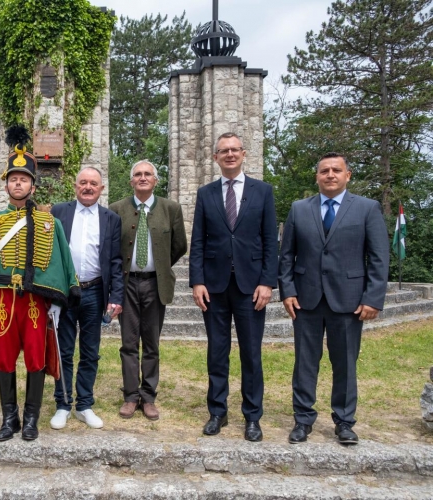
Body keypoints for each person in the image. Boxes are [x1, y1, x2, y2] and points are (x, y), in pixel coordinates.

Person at [0, 125, 80, 442]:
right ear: (6, 184)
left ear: (32, 184)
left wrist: (57, 299)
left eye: (24, 179)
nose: (18, 183)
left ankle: (31, 419)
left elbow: (62, 261)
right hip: (1, 298)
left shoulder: (49, 222)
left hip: (34, 300)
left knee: (35, 357)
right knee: (4, 358)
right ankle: (10, 418)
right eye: (13, 179)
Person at [278, 152, 389, 445]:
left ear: (347, 175)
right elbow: (286, 255)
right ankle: (303, 420)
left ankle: (344, 422)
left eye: (336, 170)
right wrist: (287, 291)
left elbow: (379, 257)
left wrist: (373, 298)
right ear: (317, 176)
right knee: (305, 363)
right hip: (306, 300)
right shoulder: (299, 209)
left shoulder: (367, 208)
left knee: (345, 364)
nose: (330, 175)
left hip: (349, 300)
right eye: (324, 170)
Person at [189, 132, 278, 442]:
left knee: (251, 354)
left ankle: (253, 416)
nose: (229, 154)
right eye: (223, 151)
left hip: (250, 287)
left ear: (243, 154)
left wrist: (267, 282)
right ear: (215, 157)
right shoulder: (206, 193)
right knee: (217, 352)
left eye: (234, 150)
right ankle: (217, 412)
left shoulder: (262, 191)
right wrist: (197, 281)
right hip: (214, 287)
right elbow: (198, 240)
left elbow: (270, 241)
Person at [109, 160, 187, 420]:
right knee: (129, 342)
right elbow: (112, 248)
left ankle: (149, 396)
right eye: (138, 174)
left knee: (151, 343)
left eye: (148, 174)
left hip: (155, 284)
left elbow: (179, 246)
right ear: (131, 181)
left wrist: (160, 265)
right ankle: (131, 396)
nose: (142, 178)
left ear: (155, 180)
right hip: (127, 284)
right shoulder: (116, 209)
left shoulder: (171, 209)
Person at [49, 167, 124, 430]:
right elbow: (49, 254)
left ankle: (84, 405)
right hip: (66, 291)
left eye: (93, 183)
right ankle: (62, 404)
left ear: (101, 188)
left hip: (95, 291)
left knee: (90, 352)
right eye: (83, 182)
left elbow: (116, 261)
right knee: (64, 350)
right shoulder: (59, 212)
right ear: (75, 186)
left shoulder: (111, 219)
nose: (88, 187)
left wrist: (116, 296)